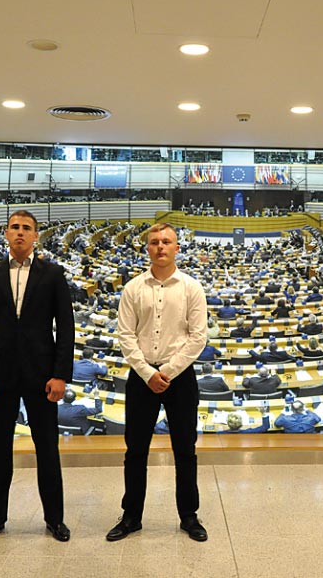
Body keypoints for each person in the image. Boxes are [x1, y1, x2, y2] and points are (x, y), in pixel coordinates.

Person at [0, 210, 75, 544]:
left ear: (35, 236)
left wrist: (61, 375)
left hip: (42, 375)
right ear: (5, 233)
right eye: (14, 227)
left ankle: (55, 520)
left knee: (48, 450)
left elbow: (66, 328)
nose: (20, 232)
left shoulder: (53, 274)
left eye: (26, 228)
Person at [107, 223, 208, 543]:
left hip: (180, 377)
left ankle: (189, 516)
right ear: (147, 248)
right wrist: (148, 373)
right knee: (135, 451)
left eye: (166, 241)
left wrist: (167, 370)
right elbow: (125, 335)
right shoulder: (133, 288)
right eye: (154, 242)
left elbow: (198, 337)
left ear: (177, 248)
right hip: (141, 378)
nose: (160, 246)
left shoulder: (191, 287)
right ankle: (131, 516)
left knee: (185, 450)